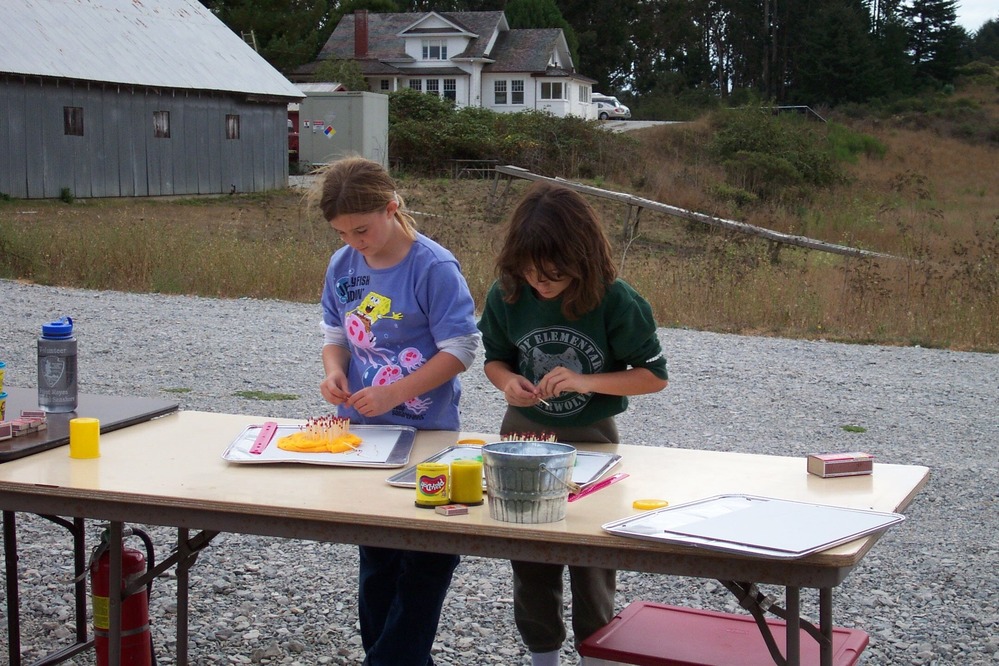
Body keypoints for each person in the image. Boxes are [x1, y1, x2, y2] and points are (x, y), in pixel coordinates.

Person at [477, 181, 669, 666]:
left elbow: (652, 378)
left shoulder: (616, 300)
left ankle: (596, 653)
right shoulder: (508, 294)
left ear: (583, 260)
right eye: (532, 274)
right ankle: (542, 655)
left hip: (593, 440)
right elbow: (495, 360)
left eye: (555, 276)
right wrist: (507, 383)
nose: (542, 285)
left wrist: (587, 381)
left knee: (593, 557)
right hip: (521, 437)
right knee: (531, 556)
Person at [310, 156, 480, 666]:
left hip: (428, 435)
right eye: (342, 233)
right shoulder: (343, 265)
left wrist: (394, 392)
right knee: (377, 561)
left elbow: (462, 349)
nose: (353, 242)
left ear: (392, 207)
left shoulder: (433, 266)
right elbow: (335, 335)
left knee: (428, 558)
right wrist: (334, 372)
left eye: (361, 229)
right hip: (364, 436)